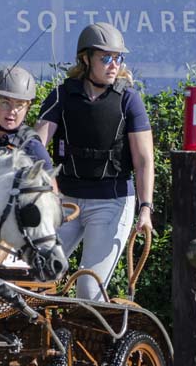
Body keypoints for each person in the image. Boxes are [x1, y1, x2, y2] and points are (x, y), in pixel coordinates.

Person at [33, 22, 154, 301]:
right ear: (85, 59)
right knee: (38, 275)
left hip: (111, 202)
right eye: (106, 57)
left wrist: (145, 208)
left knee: (88, 289)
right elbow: (37, 145)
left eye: (118, 58)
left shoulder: (129, 100)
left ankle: (97, 342)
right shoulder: (62, 96)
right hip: (66, 202)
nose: (114, 64)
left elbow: (144, 160)